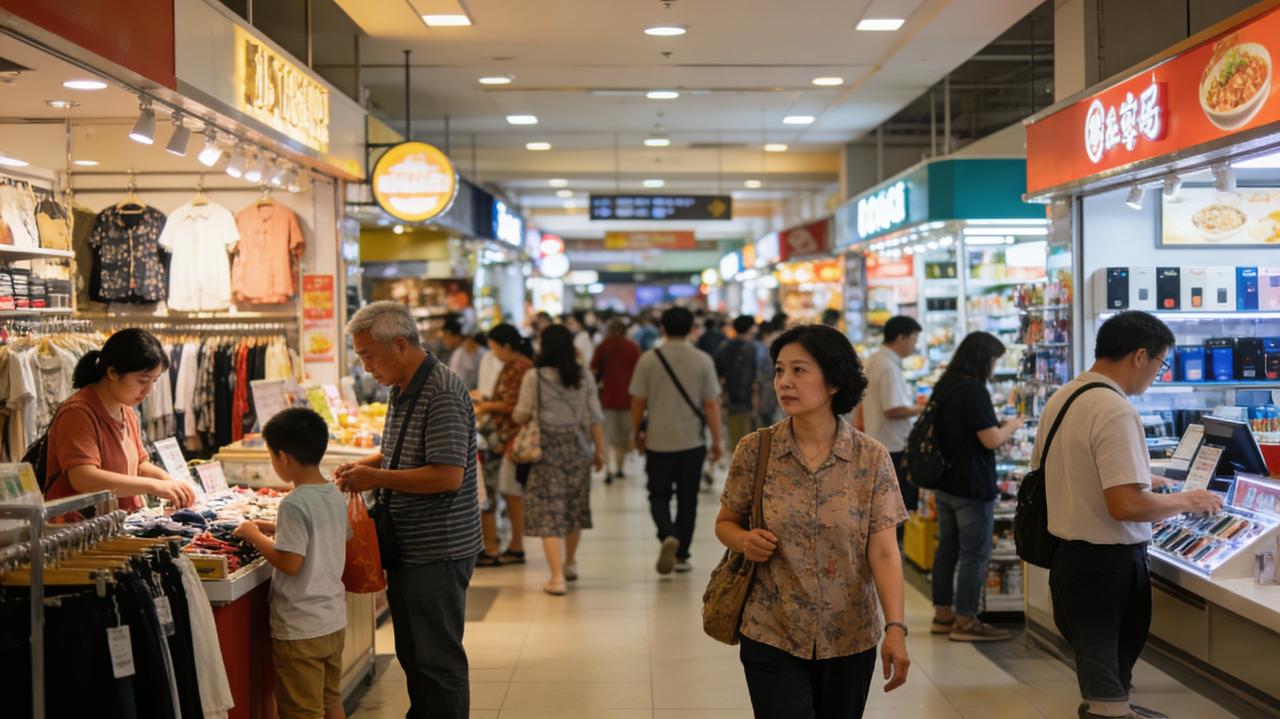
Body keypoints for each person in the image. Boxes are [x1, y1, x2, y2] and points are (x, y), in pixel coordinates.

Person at [715, 324, 909, 718]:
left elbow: (885, 552)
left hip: (849, 635)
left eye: (799, 370)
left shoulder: (870, 459)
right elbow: (725, 523)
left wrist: (896, 628)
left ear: (834, 381)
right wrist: (743, 540)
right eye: (779, 371)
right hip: (772, 629)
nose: (784, 382)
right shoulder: (756, 449)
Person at [1039, 311, 1221, 719]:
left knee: (1102, 677)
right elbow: (1125, 506)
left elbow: (1064, 472)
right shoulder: (1115, 410)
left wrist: (1145, 476)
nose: (1157, 374)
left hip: (1070, 559)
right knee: (1107, 689)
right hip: (1106, 566)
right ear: (1141, 356)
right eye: (1161, 364)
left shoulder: (1064, 397)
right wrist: (1190, 500)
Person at [334, 301, 482, 719]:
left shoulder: (442, 391)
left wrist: (376, 479)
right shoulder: (403, 387)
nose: (366, 367)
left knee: (437, 658)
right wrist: (366, 465)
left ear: (400, 344)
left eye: (368, 355)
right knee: (415, 654)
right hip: (410, 546)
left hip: (438, 548)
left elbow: (446, 475)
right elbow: (407, 452)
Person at [234, 408, 349, 719]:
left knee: (302, 711)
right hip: (332, 619)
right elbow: (323, 536)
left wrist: (253, 534)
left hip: (300, 626)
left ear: (282, 457)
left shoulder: (294, 503)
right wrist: (276, 529)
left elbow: (290, 563)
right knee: (331, 701)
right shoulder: (334, 494)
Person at [926, 331, 1022, 642]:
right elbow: (990, 439)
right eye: (994, 359)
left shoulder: (945, 385)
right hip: (972, 484)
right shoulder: (973, 391)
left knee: (947, 550)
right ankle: (966, 621)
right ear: (984, 359)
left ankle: (943, 616)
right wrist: (1012, 425)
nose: (995, 366)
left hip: (944, 482)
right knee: (974, 554)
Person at [43, 328, 196, 509]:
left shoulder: (126, 410)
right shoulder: (77, 413)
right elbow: (83, 477)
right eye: (142, 381)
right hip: (79, 530)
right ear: (113, 373)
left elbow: (138, 465)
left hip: (117, 525)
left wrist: (168, 481)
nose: (149, 391)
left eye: (154, 381)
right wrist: (154, 486)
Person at [630, 307, 724, 575]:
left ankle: (667, 533)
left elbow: (638, 402)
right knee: (688, 498)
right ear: (692, 329)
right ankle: (682, 554)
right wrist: (717, 441)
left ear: (663, 328)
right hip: (692, 442)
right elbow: (711, 405)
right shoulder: (703, 360)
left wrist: (636, 433)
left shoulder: (648, 359)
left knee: (657, 494)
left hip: (657, 441)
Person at [514, 325, 606, 595]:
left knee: (549, 512)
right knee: (573, 508)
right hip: (578, 450)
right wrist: (601, 451)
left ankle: (556, 577)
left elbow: (521, 414)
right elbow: (595, 417)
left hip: (545, 453)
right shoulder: (584, 376)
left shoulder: (534, 377)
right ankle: (569, 563)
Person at [474, 323, 534, 567]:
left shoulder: (517, 368)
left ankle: (492, 547)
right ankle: (502, 545)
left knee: (491, 491)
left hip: (508, 437)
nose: (494, 354)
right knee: (505, 491)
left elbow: (512, 405)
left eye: (495, 348)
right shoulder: (521, 366)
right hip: (508, 436)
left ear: (507, 346)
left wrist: (485, 407)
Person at [862, 316, 924, 518]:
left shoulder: (875, 360)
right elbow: (893, 409)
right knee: (898, 506)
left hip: (880, 440)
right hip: (894, 445)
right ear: (901, 338)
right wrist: (921, 409)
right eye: (913, 340)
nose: (914, 346)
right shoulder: (888, 366)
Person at [590, 319, 641, 483]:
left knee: (607, 435)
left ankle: (608, 469)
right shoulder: (632, 348)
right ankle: (620, 468)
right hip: (629, 399)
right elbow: (639, 373)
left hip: (607, 398)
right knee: (624, 436)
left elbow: (593, 369)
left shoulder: (603, 347)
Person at [715, 315, 760, 453]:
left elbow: (719, 373)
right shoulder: (752, 348)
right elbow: (750, 377)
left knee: (736, 442)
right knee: (750, 443)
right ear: (750, 328)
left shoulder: (725, 346)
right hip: (746, 400)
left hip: (730, 399)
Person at [448, 327, 486, 391]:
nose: (467, 343)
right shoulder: (458, 354)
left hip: (477, 390)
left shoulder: (482, 352)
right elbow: (456, 379)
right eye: (466, 340)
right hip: (458, 390)